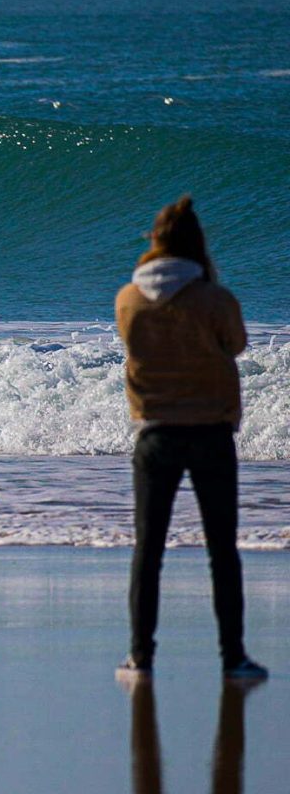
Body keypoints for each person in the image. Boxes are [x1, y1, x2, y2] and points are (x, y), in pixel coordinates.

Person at [114, 195, 266, 682]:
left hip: (155, 434)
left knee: (148, 550)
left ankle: (140, 657)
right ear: (197, 245)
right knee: (221, 549)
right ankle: (233, 658)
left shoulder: (127, 299)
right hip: (210, 432)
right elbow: (237, 344)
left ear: (154, 243)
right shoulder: (214, 299)